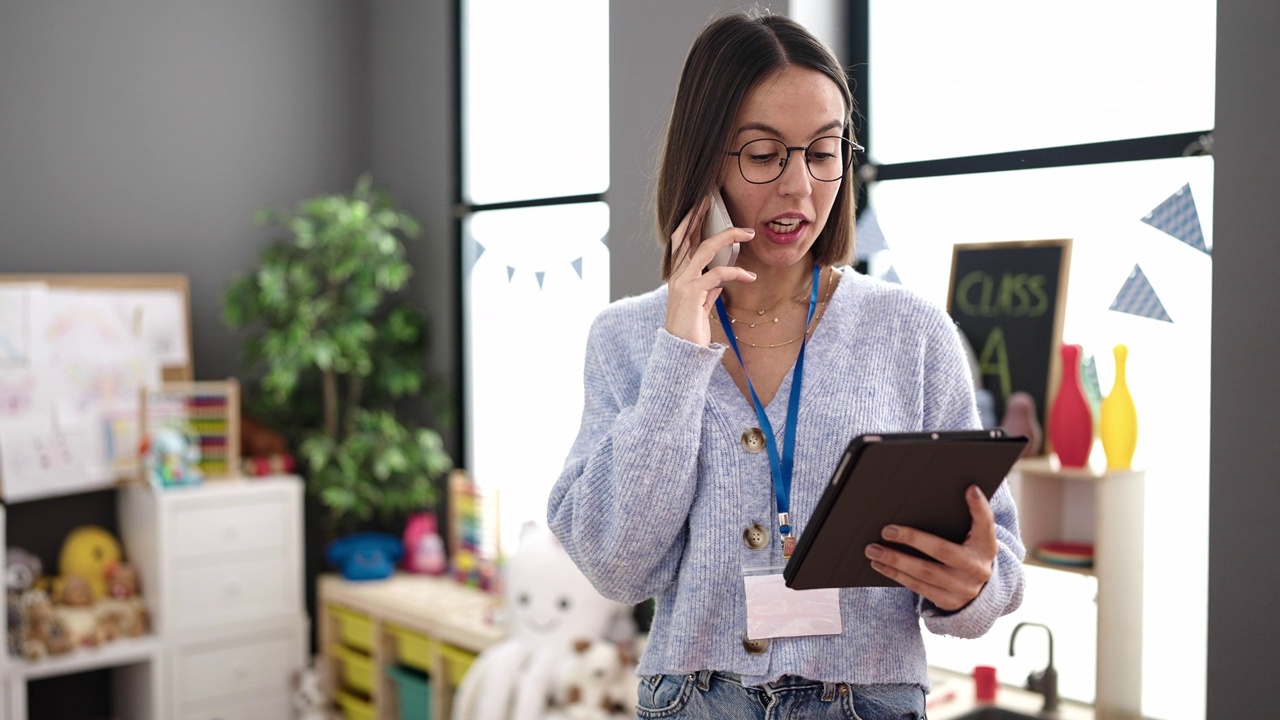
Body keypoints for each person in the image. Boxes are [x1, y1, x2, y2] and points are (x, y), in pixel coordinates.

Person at [547, 10, 1024, 720]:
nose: (800, 188)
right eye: (765, 155)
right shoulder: (626, 339)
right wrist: (682, 351)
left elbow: (997, 566)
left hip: (870, 700)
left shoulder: (911, 332)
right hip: (695, 702)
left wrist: (972, 584)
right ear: (706, 158)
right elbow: (618, 566)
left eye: (824, 152)